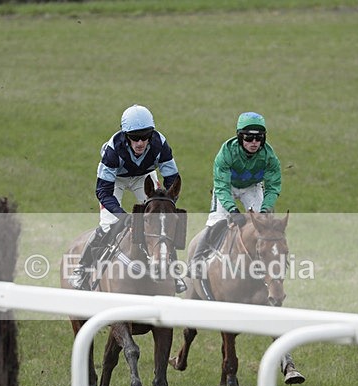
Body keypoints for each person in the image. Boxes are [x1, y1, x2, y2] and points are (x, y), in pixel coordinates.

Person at [70, 104, 185, 292]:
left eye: (145, 137)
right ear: (125, 136)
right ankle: (82, 270)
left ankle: (174, 271)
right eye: (134, 138)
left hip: (144, 178)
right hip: (116, 181)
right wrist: (124, 217)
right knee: (108, 225)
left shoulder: (160, 144)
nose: (140, 143)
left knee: (161, 223)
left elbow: (172, 178)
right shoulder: (113, 149)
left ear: (151, 134)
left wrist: (167, 203)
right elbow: (103, 192)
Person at [191, 111, 282, 281]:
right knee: (216, 221)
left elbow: (273, 187)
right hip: (228, 187)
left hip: (252, 187)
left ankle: (269, 261)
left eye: (259, 138)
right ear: (240, 137)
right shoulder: (226, 153)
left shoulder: (270, 157)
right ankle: (197, 260)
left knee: (264, 224)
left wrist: (265, 209)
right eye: (248, 138)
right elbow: (221, 186)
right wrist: (233, 210)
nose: (254, 143)